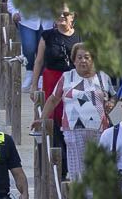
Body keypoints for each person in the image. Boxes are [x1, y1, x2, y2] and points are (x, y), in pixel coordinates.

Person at [32, 43, 115, 180]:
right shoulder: (67, 77)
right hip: (73, 129)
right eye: (79, 57)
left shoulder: (102, 77)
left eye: (87, 57)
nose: (83, 60)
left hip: (100, 129)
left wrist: (112, 102)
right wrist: (42, 119)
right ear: (74, 60)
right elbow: (53, 99)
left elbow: (114, 95)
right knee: (78, 169)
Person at [5, 0, 50, 91]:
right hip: (27, 20)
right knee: (29, 47)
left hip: (47, 21)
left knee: (44, 50)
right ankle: (29, 72)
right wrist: (15, 12)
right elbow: (11, 2)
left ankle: (40, 76)